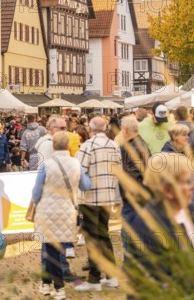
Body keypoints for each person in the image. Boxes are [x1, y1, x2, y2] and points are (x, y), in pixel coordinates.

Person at [127, 152, 194, 298]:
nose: (193, 187)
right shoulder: (148, 226)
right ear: (168, 191)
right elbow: (153, 285)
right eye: (187, 182)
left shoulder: (185, 212)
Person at [32, 131, 91, 300]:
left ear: (53, 146)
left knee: (50, 249)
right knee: (57, 249)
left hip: (47, 210)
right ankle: (47, 284)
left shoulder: (46, 165)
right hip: (67, 210)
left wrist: (35, 204)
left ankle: (57, 287)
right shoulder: (75, 163)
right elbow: (85, 186)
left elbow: (37, 191)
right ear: (67, 146)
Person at [75, 116, 122, 292]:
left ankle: (94, 279)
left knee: (92, 238)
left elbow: (79, 171)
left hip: (90, 198)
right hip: (107, 197)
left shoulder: (88, 146)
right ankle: (111, 276)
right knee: (104, 235)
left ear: (91, 128)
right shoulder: (114, 146)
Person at [119, 115, 151, 255]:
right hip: (141, 195)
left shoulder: (131, 147)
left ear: (125, 130)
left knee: (128, 231)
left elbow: (131, 175)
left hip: (133, 197)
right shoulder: (142, 144)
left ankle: (131, 263)